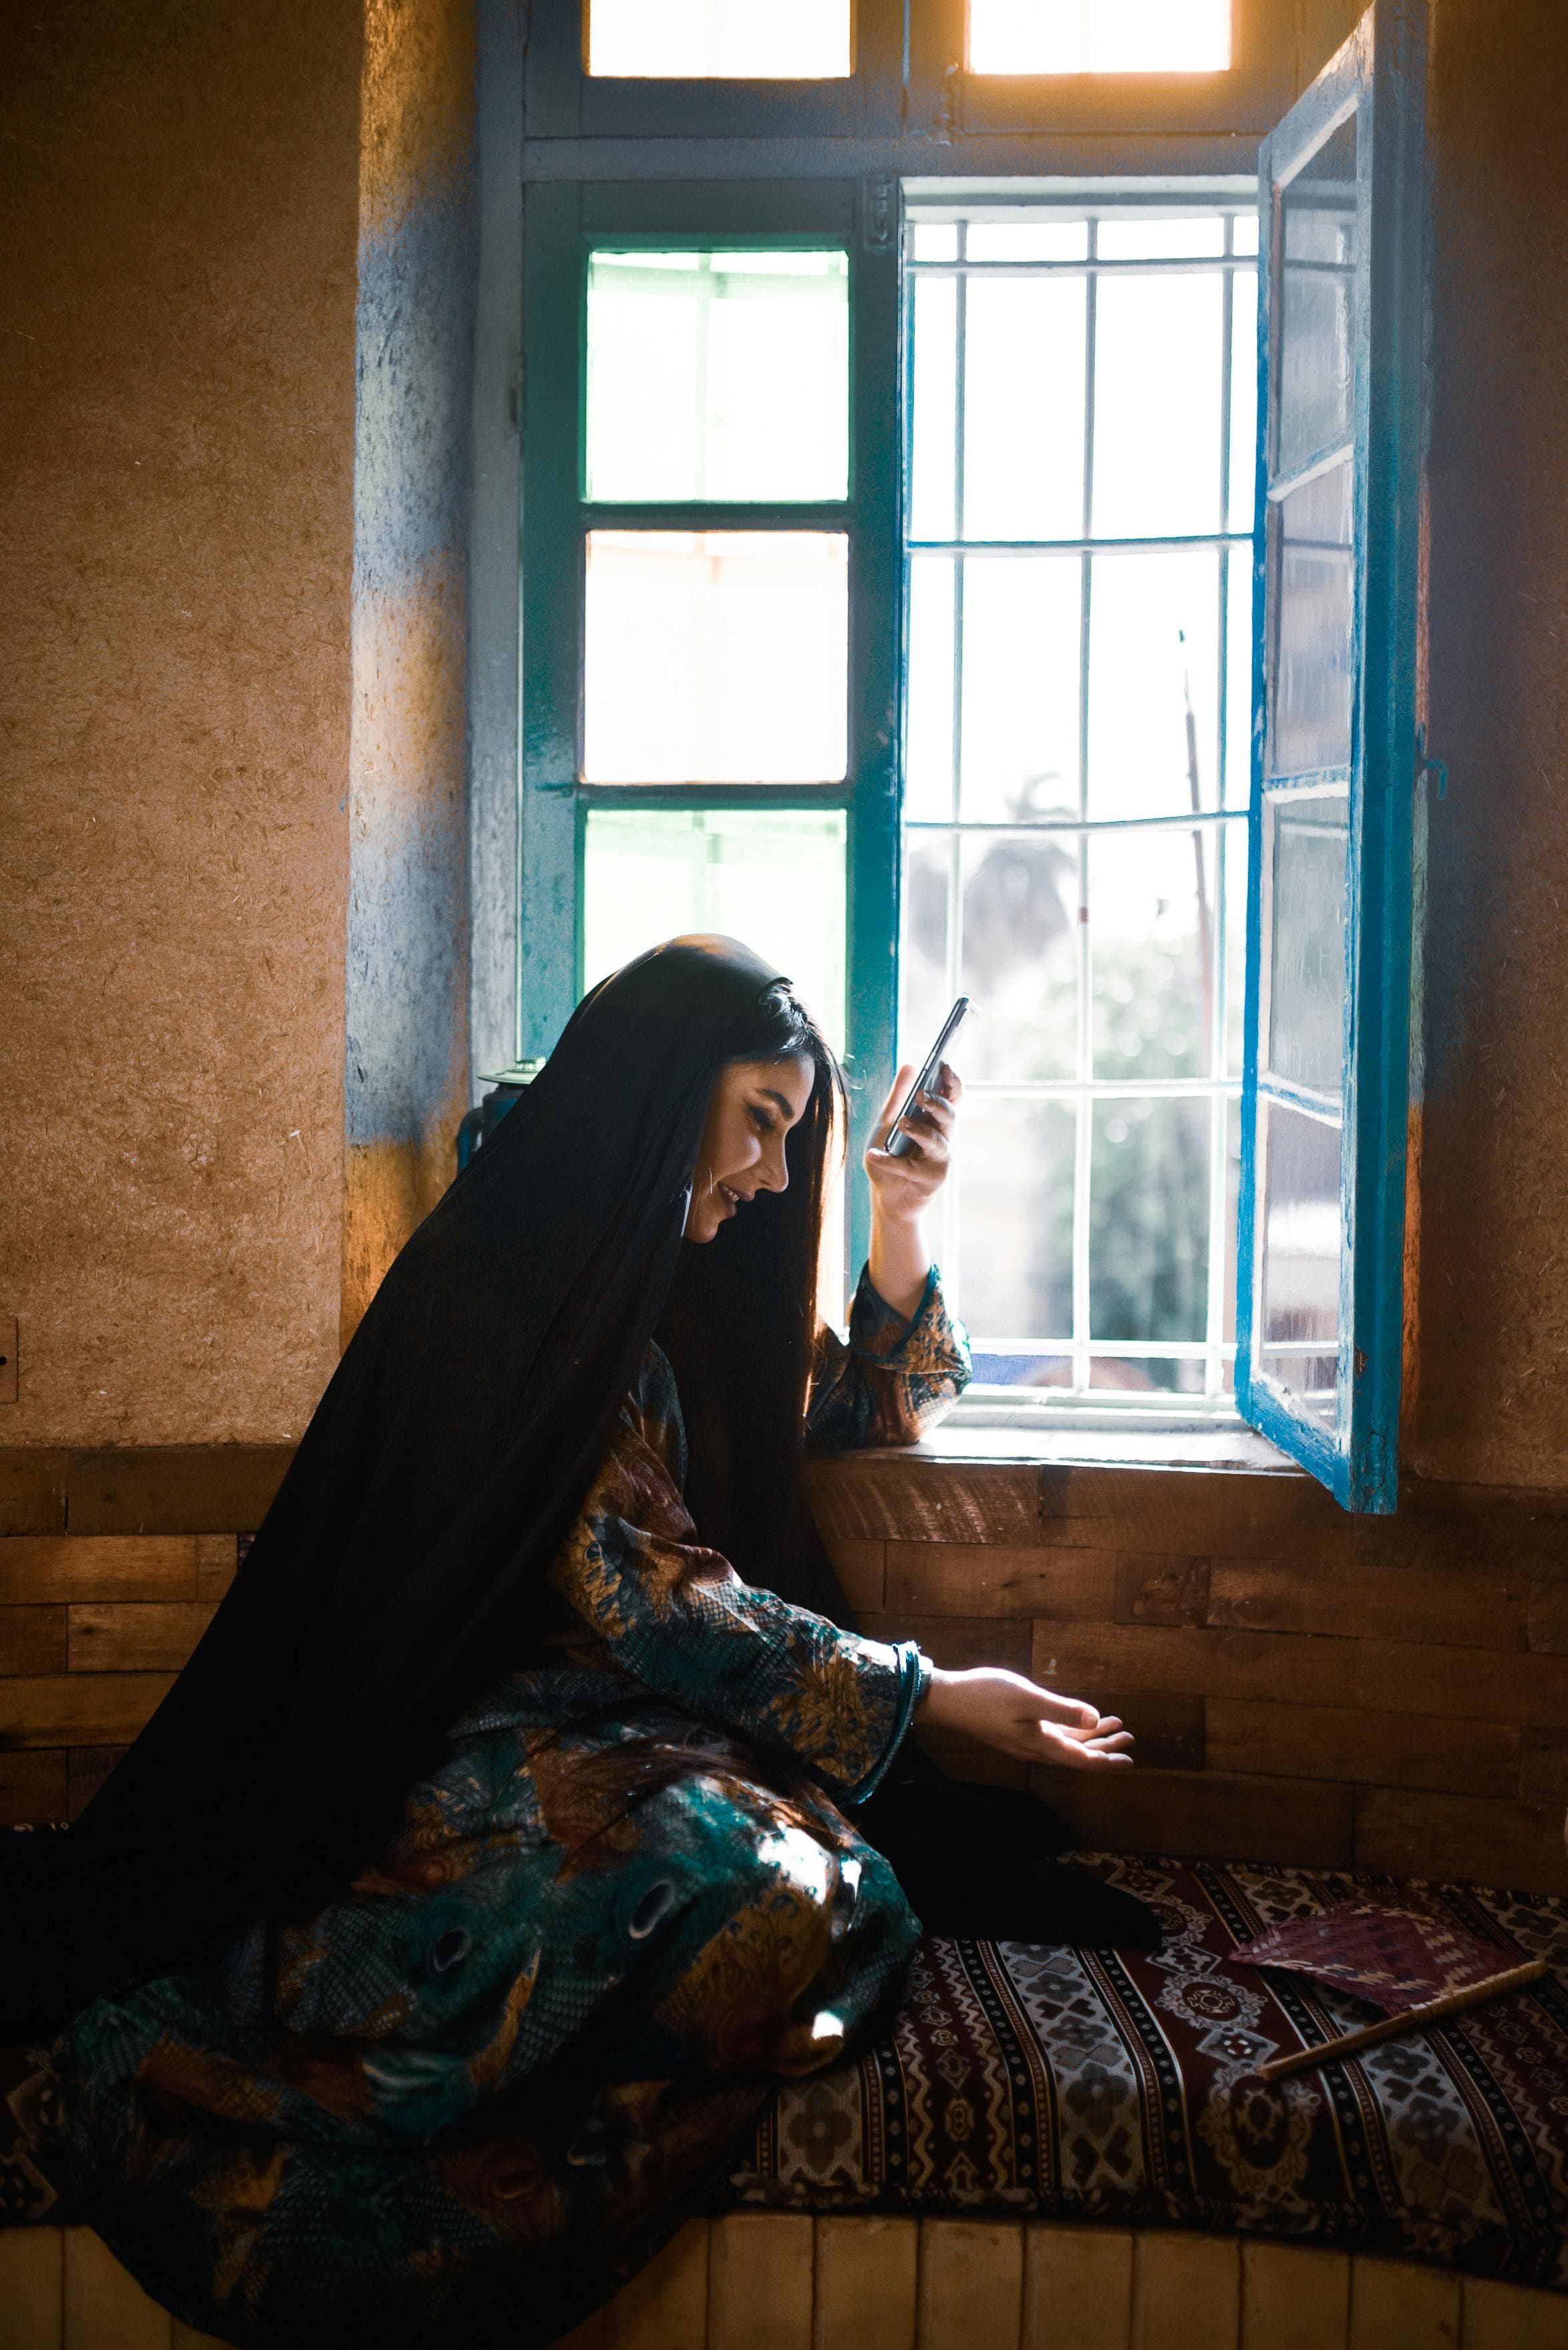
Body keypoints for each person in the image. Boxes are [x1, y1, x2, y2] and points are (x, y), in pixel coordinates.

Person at [32, 938, 1140, 2349]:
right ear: (661, 1090)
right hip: (459, 1746)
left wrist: (898, 1215)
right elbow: (655, 1596)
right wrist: (927, 1699)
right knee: (748, 1886)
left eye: (793, 1135)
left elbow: (851, 1425)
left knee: (805, 1884)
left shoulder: (666, 1260)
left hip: (629, 1737)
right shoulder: (513, 1286)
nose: (771, 1173)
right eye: (760, 1120)